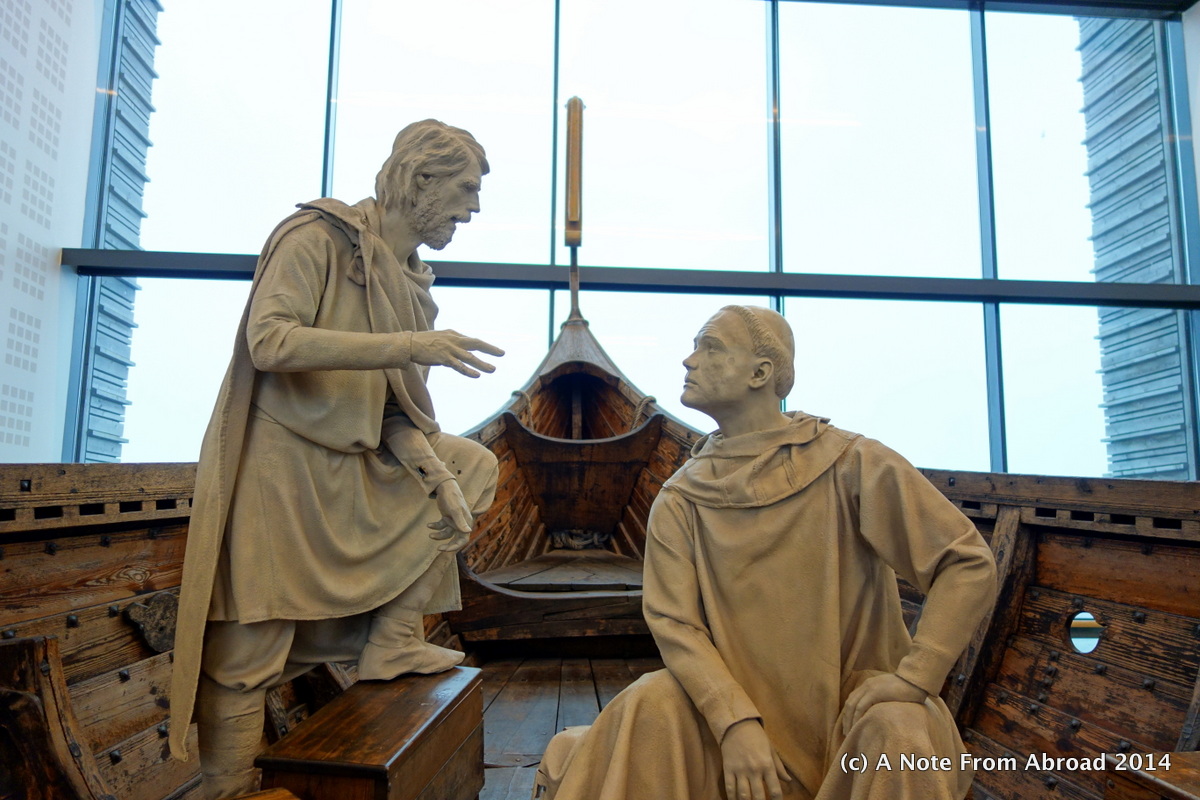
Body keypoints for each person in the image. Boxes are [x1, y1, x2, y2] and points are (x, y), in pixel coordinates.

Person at [168, 120, 505, 799]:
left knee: (471, 465)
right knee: (248, 648)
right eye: (466, 189)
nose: (473, 209)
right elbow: (269, 341)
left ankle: (394, 639)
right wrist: (408, 346)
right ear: (421, 179)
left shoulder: (411, 284)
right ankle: (229, 791)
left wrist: (437, 477)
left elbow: (391, 414)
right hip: (284, 462)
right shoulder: (316, 238)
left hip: (353, 465)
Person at [534, 306, 997, 800]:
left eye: (710, 347)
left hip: (848, 723)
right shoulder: (681, 498)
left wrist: (915, 678)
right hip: (733, 725)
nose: (689, 360)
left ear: (760, 373)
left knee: (899, 727)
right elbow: (676, 624)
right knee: (653, 700)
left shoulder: (852, 464)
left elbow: (964, 561)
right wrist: (734, 721)